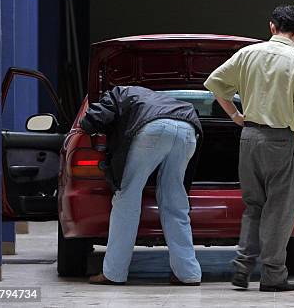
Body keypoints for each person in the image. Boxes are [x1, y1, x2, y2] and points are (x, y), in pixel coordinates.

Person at [204, 5, 294, 292]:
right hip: (279, 141)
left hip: (249, 138)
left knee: (253, 207)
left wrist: (236, 116)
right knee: (279, 210)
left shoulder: (247, 54)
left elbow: (215, 84)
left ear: (271, 27)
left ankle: (241, 269)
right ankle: (273, 276)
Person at [81, 86, 203, 286]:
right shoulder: (165, 99)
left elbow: (97, 116)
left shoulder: (121, 91)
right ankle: (188, 274)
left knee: (126, 199)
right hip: (189, 129)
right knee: (175, 203)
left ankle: (114, 273)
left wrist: (86, 125)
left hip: (153, 129)